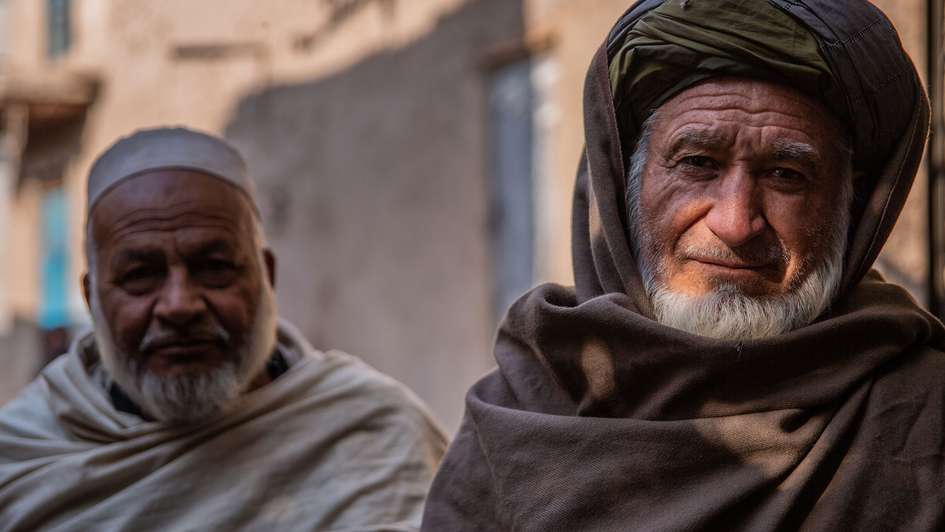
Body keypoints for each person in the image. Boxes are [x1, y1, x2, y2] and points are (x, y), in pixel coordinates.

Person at [422, 0, 945, 529]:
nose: (736, 223)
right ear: (623, 188)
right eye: (697, 163)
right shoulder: (528, 400)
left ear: (848, 210)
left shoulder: (922, 414)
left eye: (786, 175)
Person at [0, 127, 447, 531]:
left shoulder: (375, 435)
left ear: (267, 277)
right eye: (141, 275)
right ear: (91, 298)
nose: (180, 305)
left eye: (214, 267)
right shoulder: (22, 461)